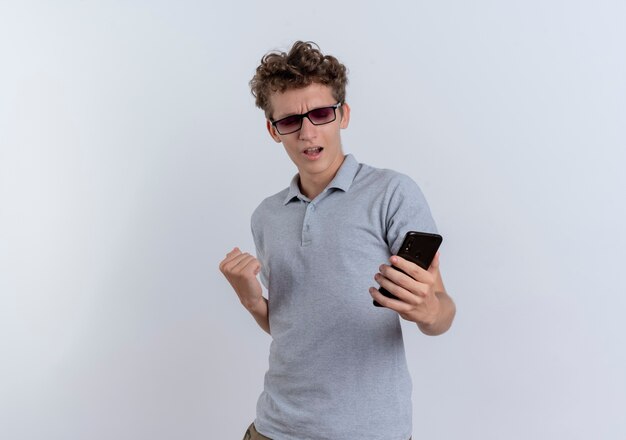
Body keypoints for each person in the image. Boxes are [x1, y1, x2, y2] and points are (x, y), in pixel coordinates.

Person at [219, 41, 456, 440]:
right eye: (291, 120)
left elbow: (442, 314)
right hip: (274, 428)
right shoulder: (266, 215)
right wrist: (251, 300)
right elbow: (293, 326)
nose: (308, 132)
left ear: (342, 115)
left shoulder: (391, 193)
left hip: (369, 431)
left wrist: (428, 310)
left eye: (321, 114)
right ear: (273, 130)